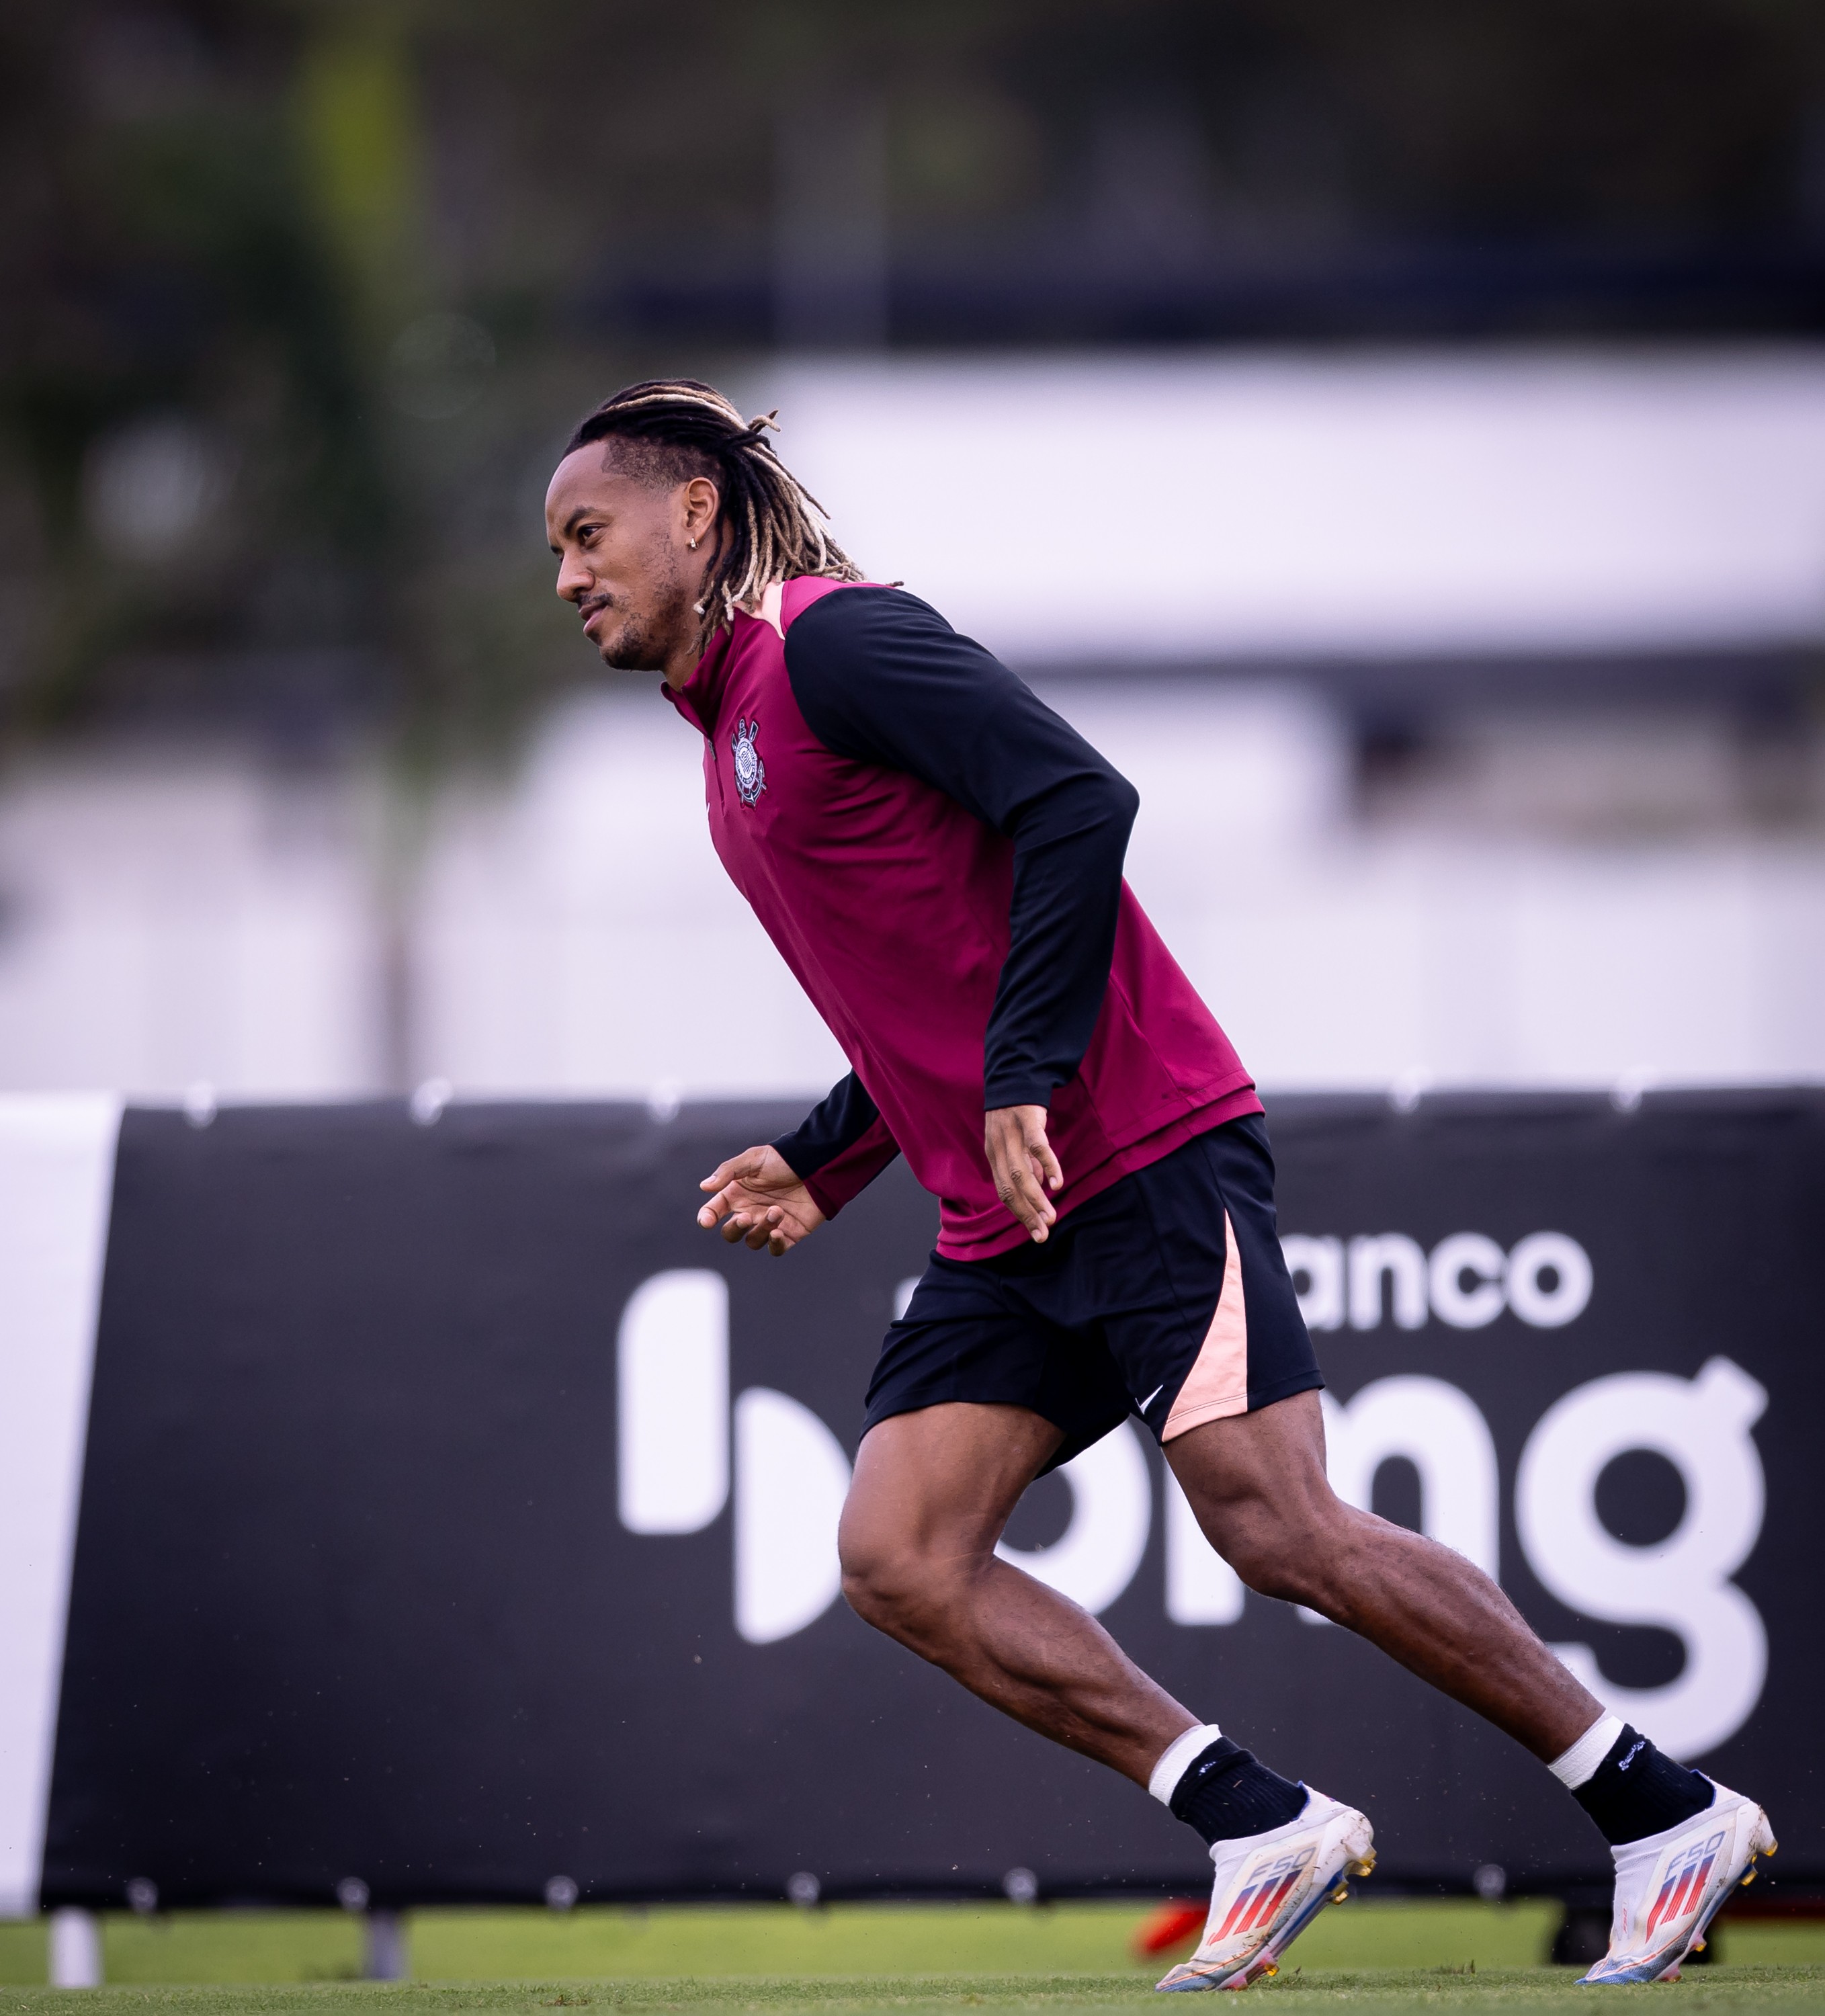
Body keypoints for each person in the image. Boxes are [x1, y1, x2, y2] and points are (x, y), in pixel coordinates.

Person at [544, 379, 1773, 1990]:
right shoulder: (729, 742)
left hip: (1138, 1150)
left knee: (1276, 1523)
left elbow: (1078, 798)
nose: (566, 575)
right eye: (556, 550)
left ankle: (1657, 1809)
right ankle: (1256, 1822)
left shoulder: (831, 644)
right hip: (1011, 1212)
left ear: (692, 513)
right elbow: (923, 979)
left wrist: (1025, 1082)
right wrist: (830, 1158)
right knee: (898, 1554)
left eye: (586, 534)